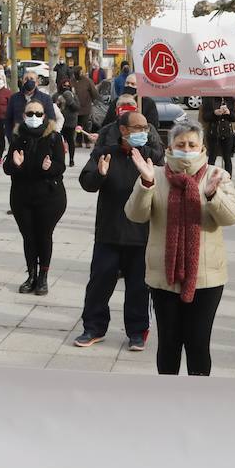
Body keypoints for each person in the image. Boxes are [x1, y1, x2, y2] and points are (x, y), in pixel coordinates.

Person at [127, 118, 235, 375]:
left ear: (202, 148)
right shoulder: (153, 174)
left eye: (192, 144)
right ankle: (169, 401)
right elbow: (135, 215)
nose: (186, 149)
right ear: (169, 147)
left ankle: (197, 402)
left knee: (198, 344)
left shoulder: (217, 175)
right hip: (163, 277)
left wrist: (212, 195)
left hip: (206, 278)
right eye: (180, 144)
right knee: (168, 344)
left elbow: (231, 217)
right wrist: (145, 185)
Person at [75, 106, 163, 350]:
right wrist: (100, 175)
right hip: (109, 233)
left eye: (145, 128)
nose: (143, 132)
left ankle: (137, 331)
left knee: (139, 288)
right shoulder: (105, 154)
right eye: (137, 128)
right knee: (99, 285)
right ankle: (93, 328)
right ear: (123, 130)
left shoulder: (152, 156)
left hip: (142, 235)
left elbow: (164, 189)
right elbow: (87, 183)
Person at [3, 96, 67, 296]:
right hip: (22, 197)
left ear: (45, 116)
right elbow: (7, 168)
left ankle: (43, 277)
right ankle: (31, 274)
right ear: (23, 116)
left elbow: (60, 166)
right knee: (28, 236)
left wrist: (49, 167)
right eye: (30, 113)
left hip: (49, 197)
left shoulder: (54, 137)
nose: (34, 117)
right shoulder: (17, 136)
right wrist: (16, 164)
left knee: (44, 235)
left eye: (38, 114)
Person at [5, 69, 58, 144]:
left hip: (40, 140)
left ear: (36, 82)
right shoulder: (14, 98)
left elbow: (51, 119)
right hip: (19, 139)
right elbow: (8, 120)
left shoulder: (46, 98)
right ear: (22, 81)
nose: (29, 81)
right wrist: (11, 138)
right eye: (26, 79)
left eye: (31, 79)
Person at [199, 96, 235, 175]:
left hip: (227, 132)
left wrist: (229, 112)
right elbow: (205, 117)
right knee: (212, 157)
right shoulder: (209, 99)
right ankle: (208, 177)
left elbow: (234, 117)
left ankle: (228, 179)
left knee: (227, 158)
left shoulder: (230, 99)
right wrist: (214, 113)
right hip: (214, 132)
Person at [54, 78, 80, 166]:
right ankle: (60, 159)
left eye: (68, 86)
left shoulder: (73, 95)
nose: (66, 87)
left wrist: (70, 101)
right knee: (59, 142)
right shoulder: (56, 95)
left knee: (71, 141)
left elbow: (77, 108)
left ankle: (71, 159)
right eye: (64, 85)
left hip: (70, 123)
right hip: (59, 123)